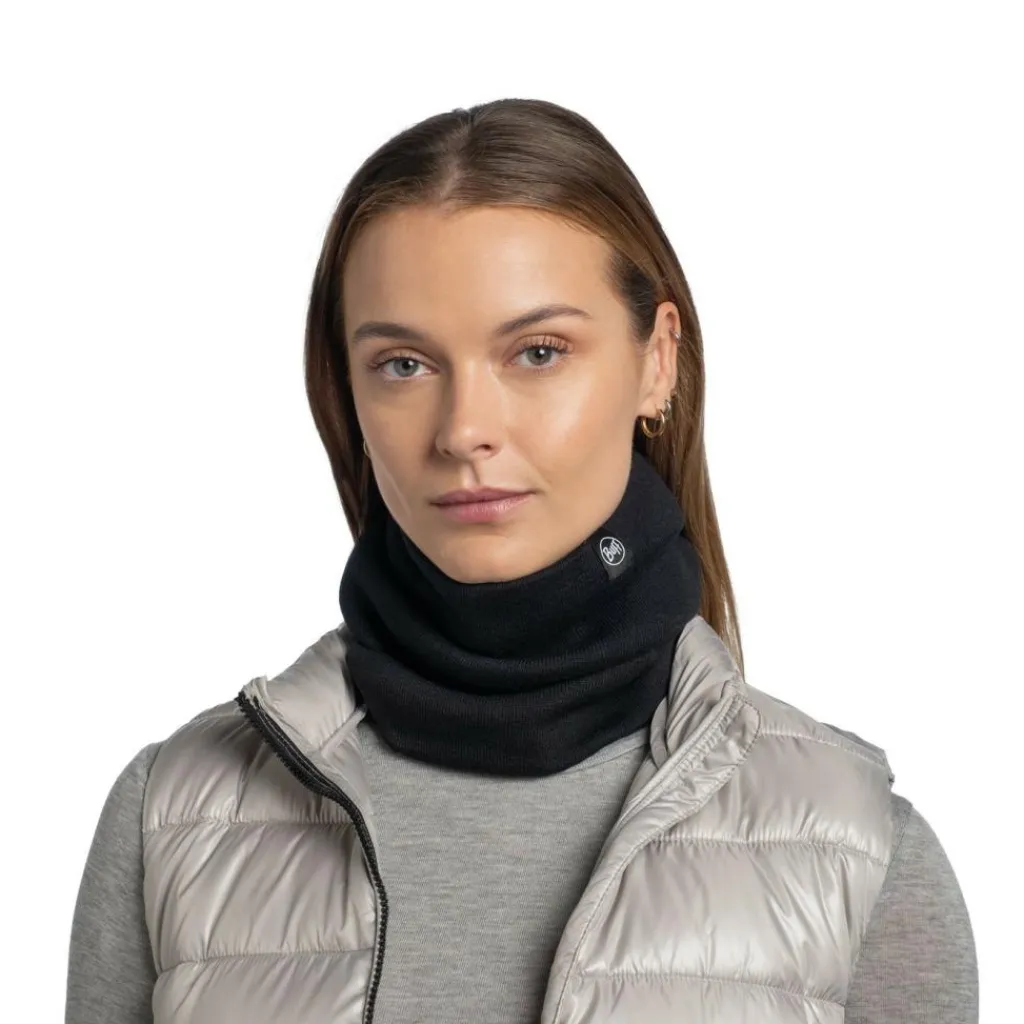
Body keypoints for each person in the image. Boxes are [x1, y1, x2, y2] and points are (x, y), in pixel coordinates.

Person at [65, 98, 978, 1024]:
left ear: (657, 362)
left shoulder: (858, 853)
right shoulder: (172, 820)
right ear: (346, 388)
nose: (465, 430)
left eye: (538, 352)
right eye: (403, 364)